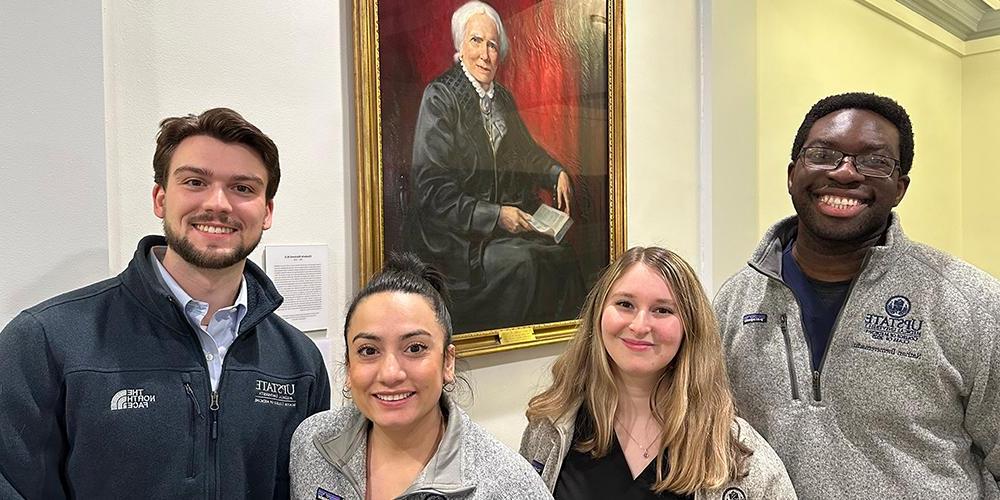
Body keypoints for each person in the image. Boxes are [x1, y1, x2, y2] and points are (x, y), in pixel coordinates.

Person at [0, 108, 331, 499]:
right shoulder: (46, 341)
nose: (219, 204)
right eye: (195, 182)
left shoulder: (299, 363)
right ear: (160, 198)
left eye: (243, 188)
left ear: (267, 211)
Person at [714, 92, 1000, 498]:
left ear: (899, 188)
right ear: (793, 174)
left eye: (875, 160)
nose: (846, 173)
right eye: (824, 154)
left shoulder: (972, 303)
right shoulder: (733, 303)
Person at [521, 246, 795, 499]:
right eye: (625, 304)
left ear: (690, 328)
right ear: (599, 315)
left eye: (662, 310)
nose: (640, 326)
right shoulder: (550, 429)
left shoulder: (737, 453)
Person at [289, 253, 552, 499]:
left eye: (415, 348)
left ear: (447, 362)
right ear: (348, 367)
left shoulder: (510, 485)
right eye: (368, 350)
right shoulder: (312, 445)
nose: (391, 373)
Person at [408, 0, 585, 332]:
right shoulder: (441, 97)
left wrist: (555, 171)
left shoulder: (501, 98)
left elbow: (526, 152)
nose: (485, 54)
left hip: (500, 230)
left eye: (492, 45)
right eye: (476, 41)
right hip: (456, 239)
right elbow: (433, 194)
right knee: (528, 263)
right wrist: (496, 214)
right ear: (460, 47)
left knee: (562, 256)